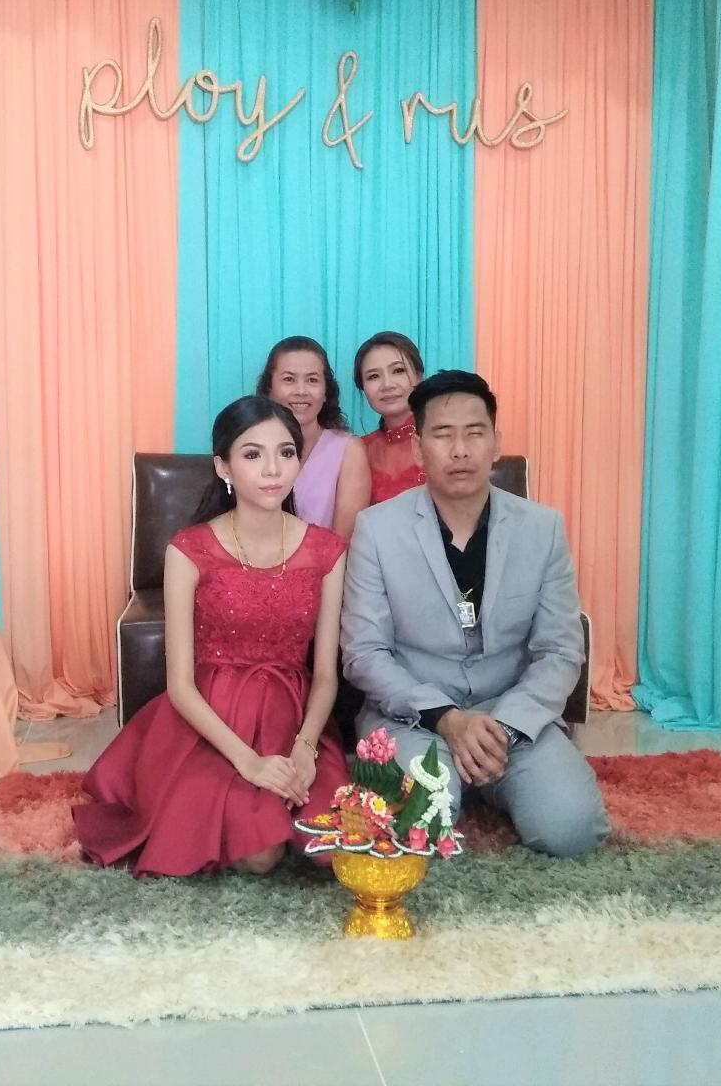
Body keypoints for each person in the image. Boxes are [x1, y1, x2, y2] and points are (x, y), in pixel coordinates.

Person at [74, 397, 350, 877]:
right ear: (224, 467)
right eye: (252, 454)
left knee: (330, 848)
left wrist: (305, 748)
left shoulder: (327, 549)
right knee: (258, 856)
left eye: (286, 453)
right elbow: (179, 685)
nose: (272, 469)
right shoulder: (189, 549)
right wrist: (248, 762)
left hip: (289, 715)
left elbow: (325, 674)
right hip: (209, 718)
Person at [340, 370, 609, 858]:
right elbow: (364, 653)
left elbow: (561, 650)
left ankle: (497, 775)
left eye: (474, 433)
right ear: (419, 449)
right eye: (443, 435)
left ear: (495, 443)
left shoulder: (542, 529)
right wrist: (446, 719)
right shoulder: (377, 530)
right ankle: (459, 780)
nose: (460, 450)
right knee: (422, 823)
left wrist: (504, 727)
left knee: (573, 831)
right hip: (415, 718)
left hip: (512, 717)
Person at [257, 336, 370, 539]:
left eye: (312, 380)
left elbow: (342, 544)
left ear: (326, 392)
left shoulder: (349, 450)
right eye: (289, 379)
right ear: (269, 389)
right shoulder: (249, 448)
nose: (301, 391)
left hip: (327, 560)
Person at [353, 330, 426, 504]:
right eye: (373, 376)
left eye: (398, 370)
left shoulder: (442, 440)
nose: (387, 385)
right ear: (363, 388)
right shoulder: (357, 452)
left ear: (419, 377)